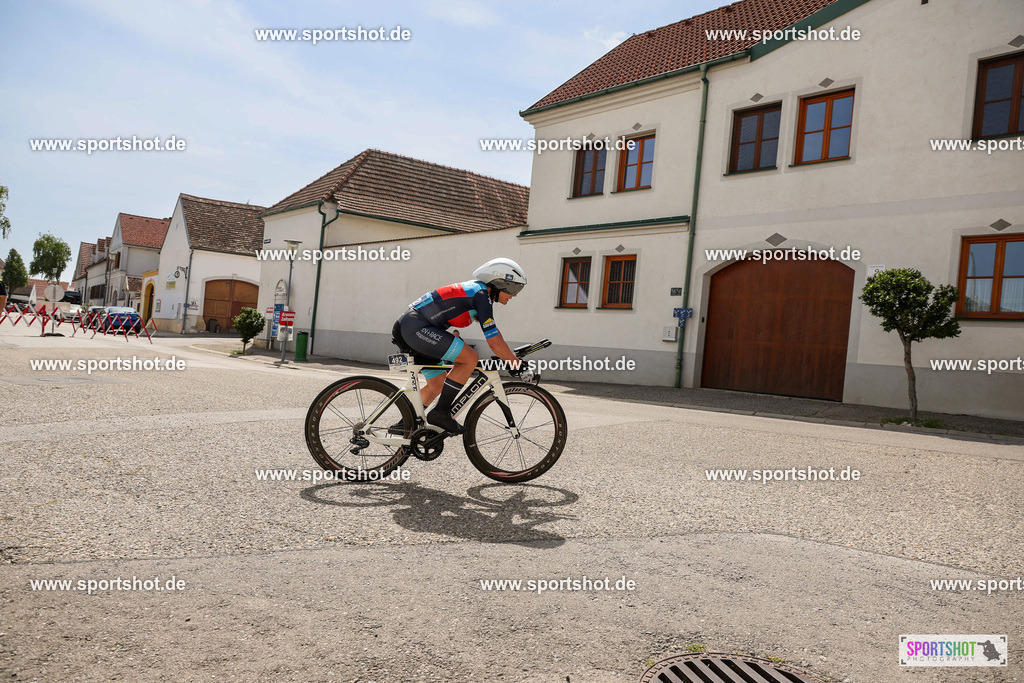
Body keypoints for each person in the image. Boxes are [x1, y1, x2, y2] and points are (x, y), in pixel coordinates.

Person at [393, 257, 531, 434]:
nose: (515, 295)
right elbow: (494, 342)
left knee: (437, 384)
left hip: (411, 327)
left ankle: (404, 428)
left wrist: (511, 360)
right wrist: (516, 364)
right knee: (469, 358)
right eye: (513, 289)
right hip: (415, 327)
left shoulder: (479, 293)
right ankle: (441, 412)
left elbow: (494, 334)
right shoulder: (481, 295)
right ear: (498, 283)